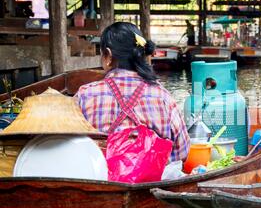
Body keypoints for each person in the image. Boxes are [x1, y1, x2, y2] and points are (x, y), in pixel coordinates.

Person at [75, 22, 190, 162]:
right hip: (151, 183)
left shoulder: (85, 95)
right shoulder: (162, 96)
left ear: (108, 55)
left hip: (101, 181)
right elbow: (182, 152)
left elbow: (71, 148)